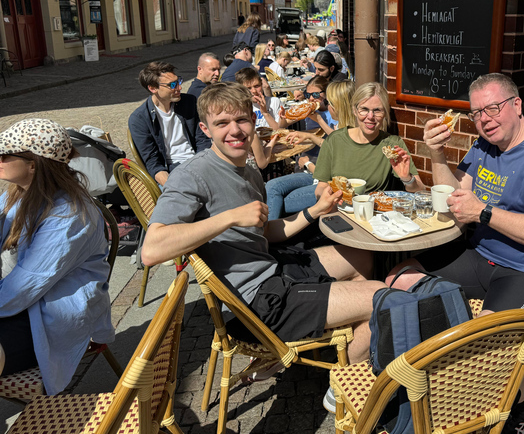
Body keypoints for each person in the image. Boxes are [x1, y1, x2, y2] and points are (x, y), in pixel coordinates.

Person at [140, 82, 385, 411]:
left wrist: (315, 211)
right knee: (380, 298)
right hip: (253, 306)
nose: (235, 131)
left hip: (273, 269)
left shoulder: (249, 170)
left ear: (252, 122)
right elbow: (151, 250)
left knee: (361, 257)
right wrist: (228, 217)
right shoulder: (193, 175)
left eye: (241, 120)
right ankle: (343, 388)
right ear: (204, 129)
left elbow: (265, 232)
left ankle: (329, 335)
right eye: (222, 123)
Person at [388, 73, 524, 433]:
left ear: (517, 105)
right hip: (481, 256)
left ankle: (523, 408)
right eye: (477, 112)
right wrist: (436, 153)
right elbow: (453, 201)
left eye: (493, 108)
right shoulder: (483, 147)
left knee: (489, 347)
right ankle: (432, 376)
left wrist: (484, 212)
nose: (485, 119)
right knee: (398, 279)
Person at [0, 119, 114, 395]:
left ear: (33, 164)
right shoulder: (17, 195)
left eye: (4, 154)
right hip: (25, 304)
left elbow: (25, 285)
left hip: (51, 316)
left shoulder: (69, 215)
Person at [314, 82, 426, 196]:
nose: (370, 116)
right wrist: (332, 197)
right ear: (354, 110)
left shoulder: (392, 144)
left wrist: (407, 179)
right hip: (339, 207)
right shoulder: (335, 140)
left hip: (374, 210)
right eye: (364, 109)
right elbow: (321, 187)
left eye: (377, 110)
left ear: (385, 113)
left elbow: (420, 190)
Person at [267, 80, 354, 220]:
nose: (326, 104)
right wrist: (309, 136)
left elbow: (337, 148)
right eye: (308, 94)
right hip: (317, 174)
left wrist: (308, 163)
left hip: (324, 179)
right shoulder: (341, 125)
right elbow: (332, 144)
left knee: (276, 200)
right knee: (272, 187)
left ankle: (270, 236)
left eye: (329, 102)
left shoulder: (352, 129)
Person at [129, 61, 211, 185]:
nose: (179, 87)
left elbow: (202, 141)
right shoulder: (139, 119)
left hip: (198, 162)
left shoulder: (189, 102)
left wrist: (202, 168)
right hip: (171, 171)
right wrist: (174, 186)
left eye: (178, 81)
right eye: (172, 85)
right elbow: (153, 163)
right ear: (152, 88)